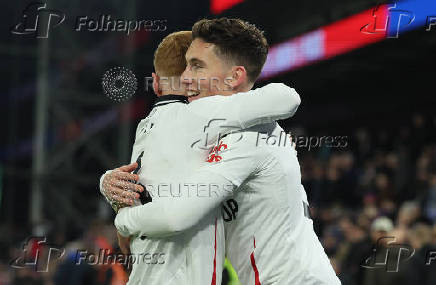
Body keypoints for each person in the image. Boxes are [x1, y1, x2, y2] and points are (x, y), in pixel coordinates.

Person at [114, 18, 340, 284]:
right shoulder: (223, 130)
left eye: (197, 66)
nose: (185, 77)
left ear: (235, 77)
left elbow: (176, 214)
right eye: (187, 65)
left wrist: (124, 221)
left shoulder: (248, 138)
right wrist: (113, 187)